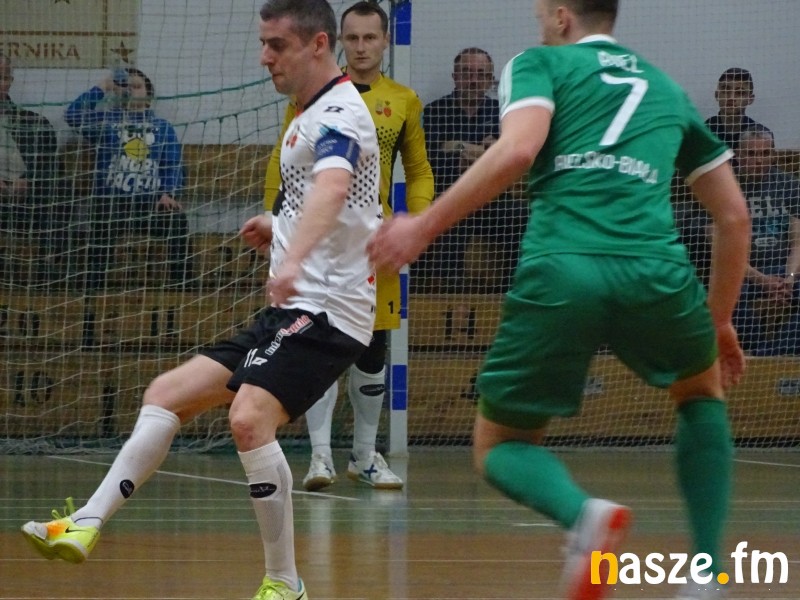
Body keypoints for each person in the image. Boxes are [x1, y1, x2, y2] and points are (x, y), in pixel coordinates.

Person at [369, 2, 750, 599]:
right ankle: (706, 575)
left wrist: (422, 227)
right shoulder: (666, 88)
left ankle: (583, 517)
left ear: (562, 17)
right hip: (656, 271)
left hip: (562, 268)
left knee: (501, 444)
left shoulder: (539, 63)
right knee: (701, 394)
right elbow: (733, 216)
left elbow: (518, 150)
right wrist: (720, 318)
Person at [21, 2, 381, 600]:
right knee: (166, 394)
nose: (264, 57)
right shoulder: (308, 112)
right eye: (263, 44)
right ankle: (85, 521)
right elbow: (337, 203)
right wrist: (277, 224)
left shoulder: (341, 112)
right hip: (293, 311)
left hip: (329, 314)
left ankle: (284, 583)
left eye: (277, 45)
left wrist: (292, 258)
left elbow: (336, 186)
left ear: (319, 44)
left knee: (249, 419)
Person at [264, 1, 433, 491]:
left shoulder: (403, 100)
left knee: (372, 348)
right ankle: (320, 457)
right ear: (337, 41)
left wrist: (414, 222)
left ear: (385, 42)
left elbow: (419, 170)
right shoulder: (310, 99)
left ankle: (364, 454)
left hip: (372, 246)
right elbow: (280, 163)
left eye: (370, 38)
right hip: (317, 245)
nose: (361, 47)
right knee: (313, 344)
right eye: (352, 38)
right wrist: (276, 224)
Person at [64, 67, 191, 290]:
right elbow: (73, 115)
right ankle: (94, 289)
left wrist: (168, 193)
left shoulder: (162, 127)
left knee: (177, 222)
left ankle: (183, 287)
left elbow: (173, 164)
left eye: (137, 86)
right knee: (101, 228)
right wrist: (103, 87)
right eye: (126, 86)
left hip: (149, 202)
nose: (131, 90)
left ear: (148, 94)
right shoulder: (106, 121)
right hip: (111, 202)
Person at [418, 47, 527, 292]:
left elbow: (509, 158)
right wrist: (484, 152)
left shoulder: (502, 113)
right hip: (450, 195)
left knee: (523, 216)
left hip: (491, 200)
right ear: (455, 77)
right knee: (446, 215)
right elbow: (431, 158)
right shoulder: (434, 111)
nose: (473, 80)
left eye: (481, 74)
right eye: (467, 73)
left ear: (490, 80)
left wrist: (458, 147)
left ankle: (510, 291)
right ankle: (448, 294)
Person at [732, 126, 800, 355]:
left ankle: (768, 356)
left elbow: (798, 243)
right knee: (726, 297)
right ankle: (760, 353)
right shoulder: (724, 188)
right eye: (751, 154)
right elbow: (722, 253)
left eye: (765, 153)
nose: (759, 160)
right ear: (738, 156)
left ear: (773, 155)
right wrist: (763, 280)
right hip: (744, 274)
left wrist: (789, 278)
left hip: (784, 270)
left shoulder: (789, 185)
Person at [0, 52, 66, 283]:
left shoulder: (33, 122)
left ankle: (48, 264)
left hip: (27, 199)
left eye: (4, 77)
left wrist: (28, 179)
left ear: (10, 82)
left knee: (61, 184)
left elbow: (50, 163)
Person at [705, 67, 771, 150]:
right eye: (725, 91)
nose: (731, 97)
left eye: (739, 92)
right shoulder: (704, 131)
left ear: (750, 99)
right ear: (717, 95)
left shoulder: (762, 135)